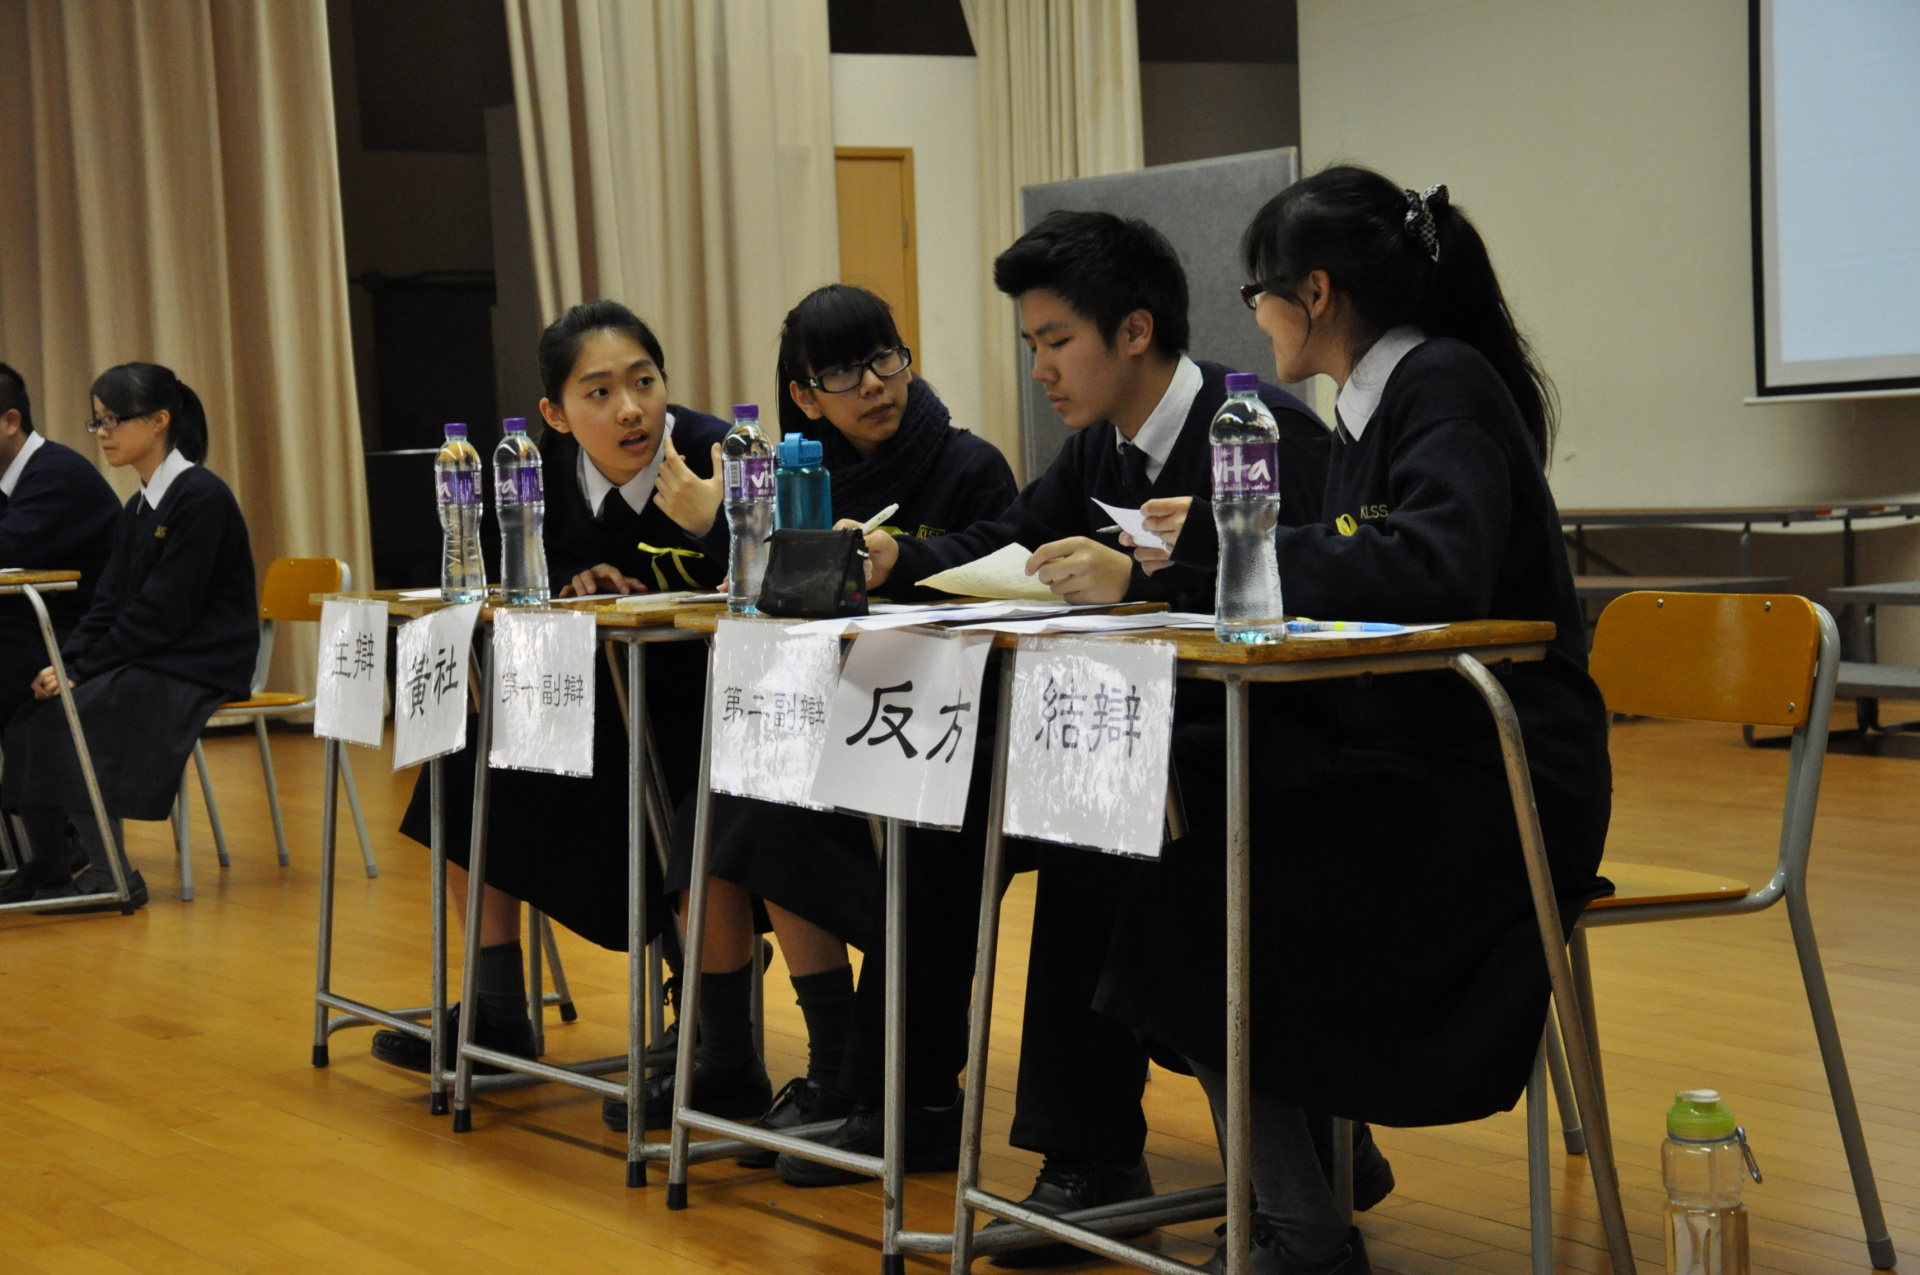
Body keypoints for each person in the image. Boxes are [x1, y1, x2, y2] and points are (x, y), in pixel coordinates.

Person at [1100, 168, 1613, 1274]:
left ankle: (1302, 1231)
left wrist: (1238, 543)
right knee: (1196, 872)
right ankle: (1316, 1191)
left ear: (1316, 292)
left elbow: (1432, 567)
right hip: (1417, 758)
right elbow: (1367, 565)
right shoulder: (1380, 402)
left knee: (1195, 914)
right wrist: (1227, 543)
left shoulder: (1444, 384)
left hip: (1497, 782)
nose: (1258, 318)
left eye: (1259, 294)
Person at [832, 212, 1334, 1262]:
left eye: (1057, 341)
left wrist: (1151, 577)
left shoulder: (1260, 430)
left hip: (1269, 740)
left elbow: (1310, 591)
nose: (1042, 370)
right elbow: (1006, 542)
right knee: (939, 795)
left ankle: (1097, 1155)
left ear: (1135, 330)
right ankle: (899, 1097)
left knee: (1080, 795)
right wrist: (898, 561)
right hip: (1146, 727)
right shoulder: (1098, 447)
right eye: (1032, 345)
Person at [631, 285, 1019, 1155]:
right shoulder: (803, 479)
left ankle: (836, 1066)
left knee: (765, 804)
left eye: (886, 357)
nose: (875, 383)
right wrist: (724, 532)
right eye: (843, 372)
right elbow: (778, 601)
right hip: (832, 717)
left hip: (935, 727)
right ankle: (761, 1056)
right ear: (805, 397)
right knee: (721, 803)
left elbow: (1001, 569)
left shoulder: (970, 464)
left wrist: (897, 563)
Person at [370, 300, 731, 1074]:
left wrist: (715, 524)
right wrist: (571, 579)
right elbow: (508, 574)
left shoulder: (714, 456)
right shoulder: (534, 474)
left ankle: (709, 1015)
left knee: (679, 790)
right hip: (591, 705)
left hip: (696, 710)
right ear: (556, 414)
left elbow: (776, 574)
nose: (630, 409)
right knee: (463, 768)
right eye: (599, 392)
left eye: (644, 381)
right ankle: (499, 1009)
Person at [1, 363, 259, 912]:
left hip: (198, 659)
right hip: (159, 649)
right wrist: (66, 663)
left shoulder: (201, 497)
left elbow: (164, 613)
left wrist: (82, 671)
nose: (103, 434)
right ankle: (48, 863)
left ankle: (112, 874)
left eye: (113, 420)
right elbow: (107, 604)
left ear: (159, 420)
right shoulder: (138, 506)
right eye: (97, 422)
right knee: (33, 712)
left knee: (72, 720)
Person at [0, 364, 124, 903]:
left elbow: (6, 553)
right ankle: (45, 852)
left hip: (91, 636)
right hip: (38, 626)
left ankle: (49, 855)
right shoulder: (14, 477)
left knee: (16, 682)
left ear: (10, 421)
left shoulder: (55, 475)